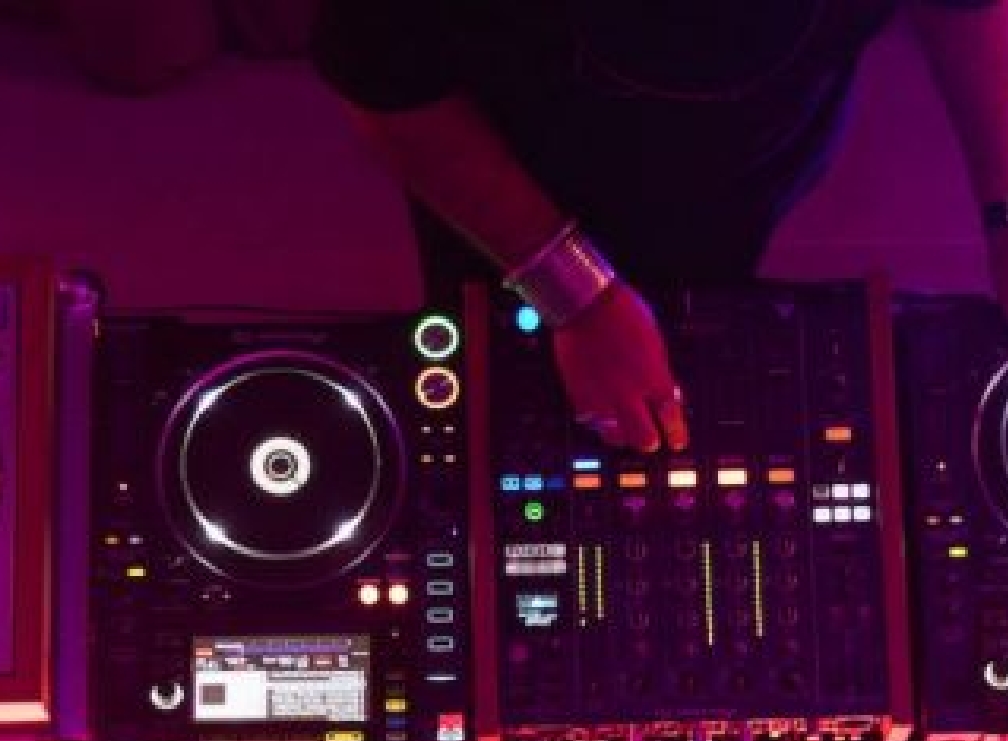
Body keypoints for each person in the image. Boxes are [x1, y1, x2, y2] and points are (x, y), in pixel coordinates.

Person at [309, 1, 1008, 455]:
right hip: (519, 161)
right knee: (505, 387)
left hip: (758, 153)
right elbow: (383, 88)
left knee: (703, 331)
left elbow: (970, 11)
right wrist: (574, 292)